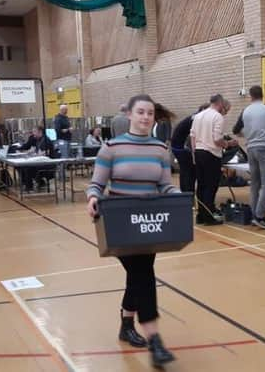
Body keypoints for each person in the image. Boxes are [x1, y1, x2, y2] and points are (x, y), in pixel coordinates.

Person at [86, 94, 177, 368]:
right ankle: (155, 340)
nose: (146, 117)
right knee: (143, 274)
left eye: (150, 113)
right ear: (130, 115)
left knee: (137, 274)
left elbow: (165, 185)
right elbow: (96, 184)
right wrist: (92, 198)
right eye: (141, 112)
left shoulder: (160, 149)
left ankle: (126, 324)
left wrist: (176, 195)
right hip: (120, 223)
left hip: (149, 224)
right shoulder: (111, 148)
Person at [190, 94, 237, 225]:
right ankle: (209, 217)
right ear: (220, 103)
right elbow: (217, 140)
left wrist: (195, 153)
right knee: (211, 186)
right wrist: (228, 144)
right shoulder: (217, 117)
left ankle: (201, 215)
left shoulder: (198, 115)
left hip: (198, 152)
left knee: (201, 185)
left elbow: (192, 136)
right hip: (211, 154)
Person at [233, 85, 265, 229]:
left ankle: (253, 214)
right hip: (264, 147)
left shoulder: (245, 110)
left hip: (250, 148)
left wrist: (247, 134)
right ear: (262, 95)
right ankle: (260, 215)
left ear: (250, 96)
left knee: (255, 183)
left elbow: (235, 130)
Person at [171, 103, 209, 192]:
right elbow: (194, 136)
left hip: (177, 145)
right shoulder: (196, 118)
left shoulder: (194, 117)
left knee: (185, 169)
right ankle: (188, 191)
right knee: (189, 169)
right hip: (179, 146)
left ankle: (185, 190)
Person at [17, 126, 53, 191]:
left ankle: (29, 187)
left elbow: (44, 154)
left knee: (27, 167)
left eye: (34, 132)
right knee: (21, 166)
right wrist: (30, 155)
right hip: (40, 162)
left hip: (47, 164)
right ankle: (28, 183)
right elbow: (36, 151)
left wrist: (34, 156)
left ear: (40, 132)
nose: (33, 133)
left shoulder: (46, 140)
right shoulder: (38, 140)